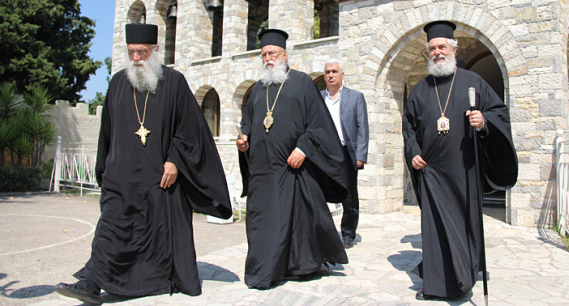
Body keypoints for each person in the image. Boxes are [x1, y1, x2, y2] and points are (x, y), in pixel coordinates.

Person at [55, 23, 232, 304]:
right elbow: (107, 132)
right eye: (132, 52)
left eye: (142, 52)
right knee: (111, 229)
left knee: (156, 232)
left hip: (160, 178)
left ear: (156, 50)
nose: (136, 58)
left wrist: (175, 160)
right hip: (121, 178)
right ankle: (91, 282)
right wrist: (106, 168)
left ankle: (153, 282)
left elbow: (191, 130)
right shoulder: (117, 83)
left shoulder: (174, 82)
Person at [402, 21, 518, 301]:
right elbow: (409, 127)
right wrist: (414, 152)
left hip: (463, 168)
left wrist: (484, 121)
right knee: (434, 228)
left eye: (442, 47)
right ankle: (437, 283)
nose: (437, 53)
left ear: (454, 49)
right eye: (432, 48)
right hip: (431, 170)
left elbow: (499, 112)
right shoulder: (420, 89)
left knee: (463, 224)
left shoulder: (472, 81)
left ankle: (464, 275)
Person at [236, 28, 349, 289]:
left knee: (296, 221)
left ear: (284, 55)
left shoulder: (302, 83)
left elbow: (318, 123)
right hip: (263, 172)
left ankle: (298, 266)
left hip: (293, 168)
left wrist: (303, 148)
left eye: (272, 53)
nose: (268, 58)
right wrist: (243, 140)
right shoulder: (257, 90)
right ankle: (265, 270)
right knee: (263, 223)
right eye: (264, 54)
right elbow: (247, 123)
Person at [321, 59, 369, 248]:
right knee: (321, 194)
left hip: (346, 152)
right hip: (324, 154)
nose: (331, 75)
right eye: (327, 72)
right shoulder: (318, 98)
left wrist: (361, 155)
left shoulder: (355, 97)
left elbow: (362, 127)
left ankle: (348, 234)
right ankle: (323, 233)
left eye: (334, 71)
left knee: (349, 197)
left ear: (342, 75)